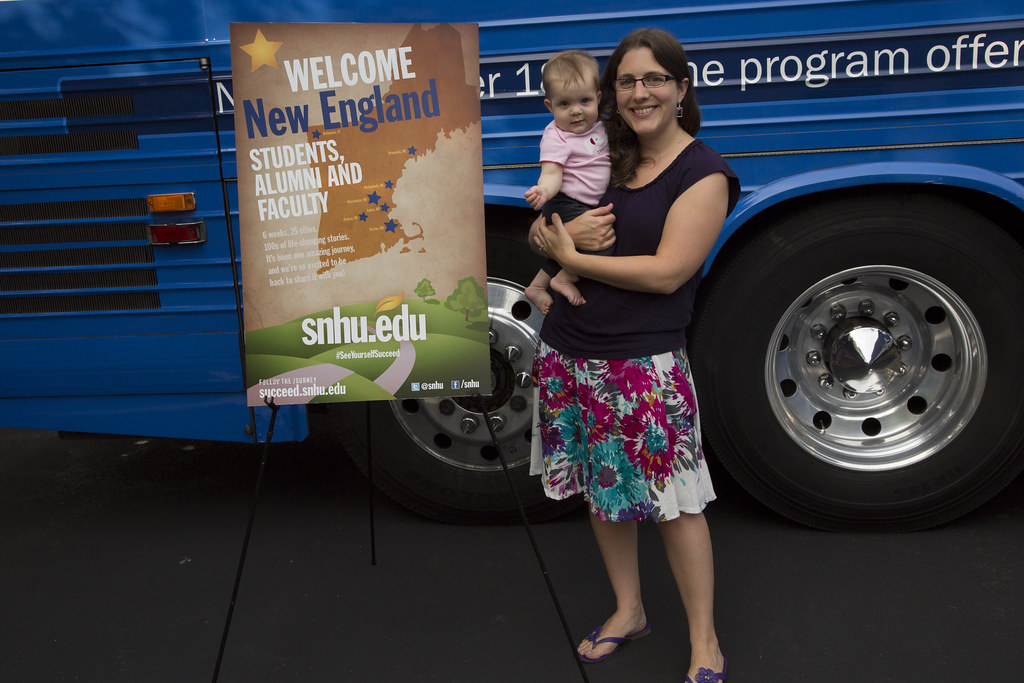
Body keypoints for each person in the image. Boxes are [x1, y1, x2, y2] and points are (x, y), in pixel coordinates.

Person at [529, 28, 739, 683]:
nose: (638, 92)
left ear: (682, 89)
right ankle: (629, 609)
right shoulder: (607, 152)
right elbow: (542, 224)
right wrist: (551, 237)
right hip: (571, 351)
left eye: (653, 79)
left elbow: (667, 272)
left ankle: (705, 640)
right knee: (601, 489)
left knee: (677, 504)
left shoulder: (703, 173)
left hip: (645, 364)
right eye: (626, 80)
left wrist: (570, 256)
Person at [524, 50, 612, 315]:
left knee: (568, 247)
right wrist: (543, 191)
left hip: (583, 203)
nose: (576, 111)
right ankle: (564, 278)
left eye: (584, 100)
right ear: (550, 106)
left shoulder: (601, 126)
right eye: (565, 104)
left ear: (597, 98)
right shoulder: (557, 136)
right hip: (566, 202)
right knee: (603, 247)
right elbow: (552, 172)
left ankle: (537, 286)